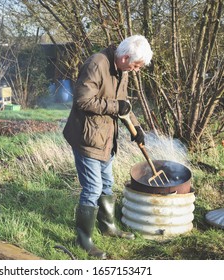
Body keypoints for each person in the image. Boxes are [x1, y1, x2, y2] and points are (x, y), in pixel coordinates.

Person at [63, 35, 153, 259]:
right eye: (135, 65)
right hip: (88, 138)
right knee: (92, 189)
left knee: (107, 184)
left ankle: (108, 227)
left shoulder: (122, 69)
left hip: (106, 139)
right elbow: (83, 100)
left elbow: (123, 104)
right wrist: (116, 106)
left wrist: (137, 126)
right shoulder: (96, 64)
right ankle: (84, 240)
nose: (136, 70)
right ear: (124, 57)